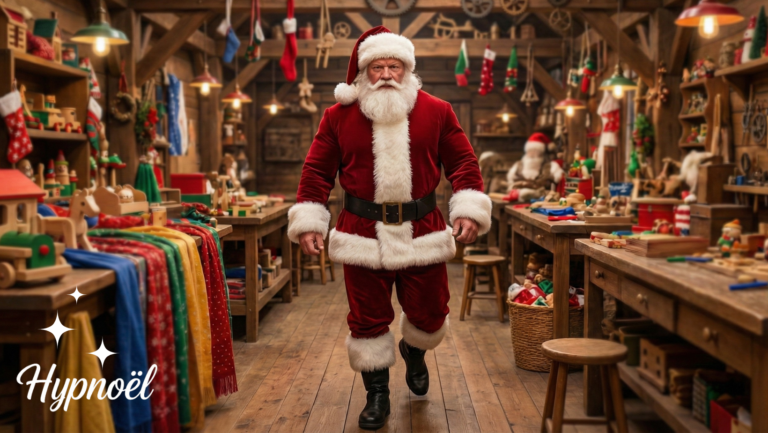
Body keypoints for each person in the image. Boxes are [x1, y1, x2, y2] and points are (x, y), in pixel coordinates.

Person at [286, 26, 492, 430]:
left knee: (431, 314)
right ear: (363, 72)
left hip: (424, 231)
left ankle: (415, 352)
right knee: (366, 319)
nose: (385, 75)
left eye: (393, 66)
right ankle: (376, 394)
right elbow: (316, 171)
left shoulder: (438, 110)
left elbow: (465, 164)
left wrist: (467, 209)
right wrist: (310, 218)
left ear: (407, 69)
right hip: (361, 233)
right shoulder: (338, 116)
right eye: (376, 66)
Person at [505, 132, 564, 202]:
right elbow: (510, 179)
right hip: (517, 199)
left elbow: (560, 177)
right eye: (530, 150)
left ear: (541, 152)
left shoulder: (550, 165)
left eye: (536, 151)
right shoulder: (518, 165)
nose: (532, 153)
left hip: (541, 198)